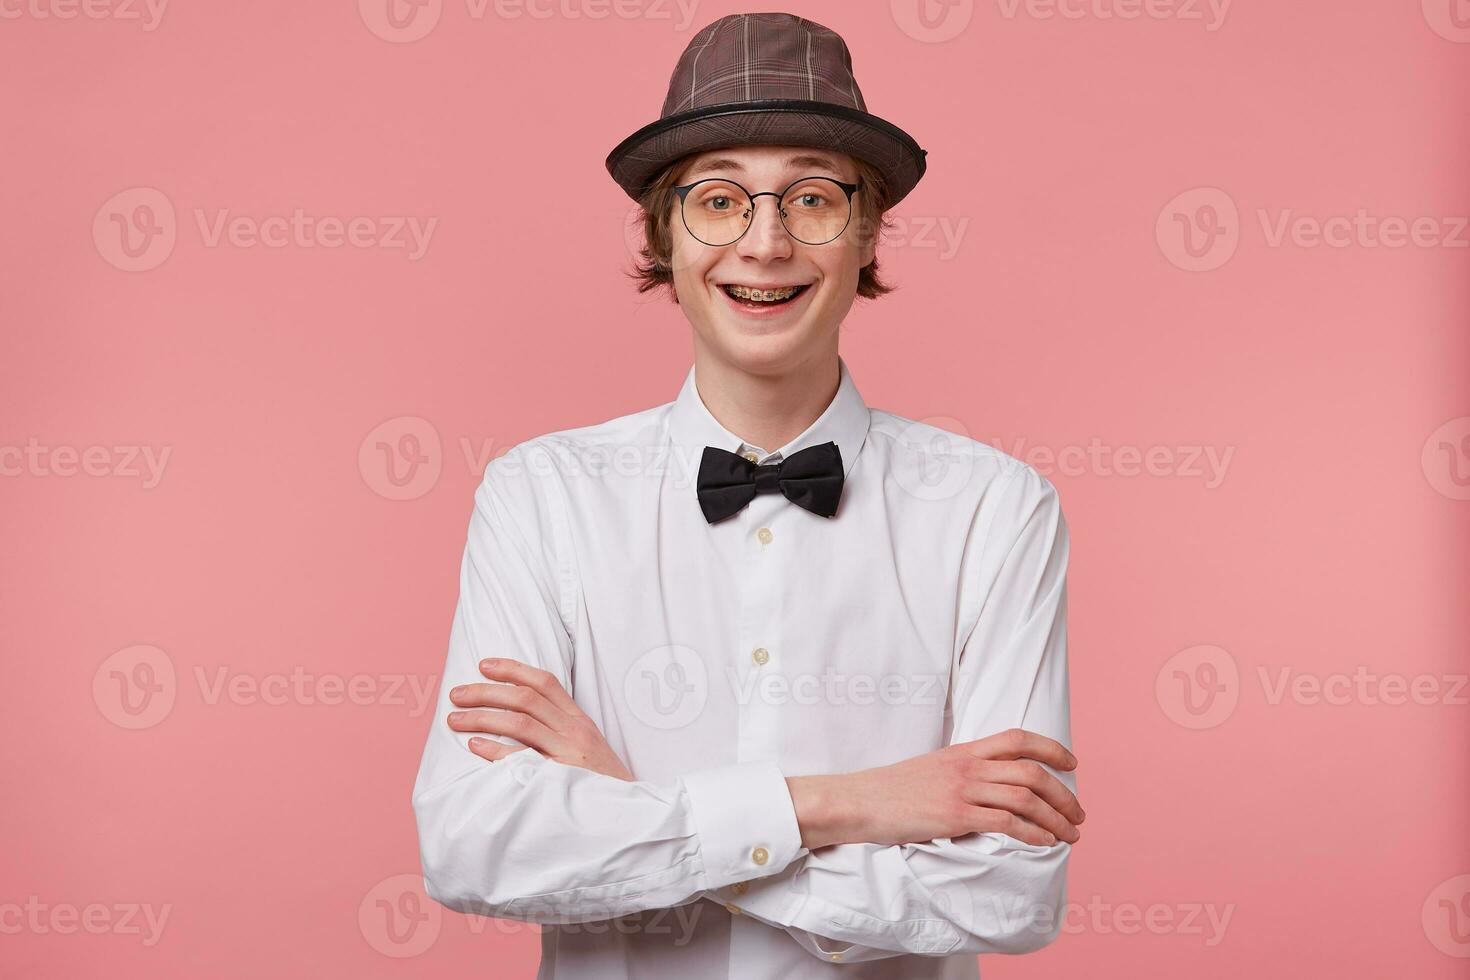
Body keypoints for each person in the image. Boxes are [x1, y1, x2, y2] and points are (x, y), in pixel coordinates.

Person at [412, 12, 1084, 979]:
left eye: (812, 198)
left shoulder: (993, 509)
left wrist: (629, 802)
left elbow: (1009, 892)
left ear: (866, 230)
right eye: (720, 201)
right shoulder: (540, 496)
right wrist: (848, 802)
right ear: (666, 233)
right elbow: (474, 845)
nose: (764, 243)